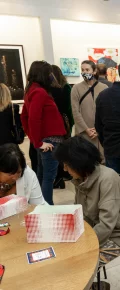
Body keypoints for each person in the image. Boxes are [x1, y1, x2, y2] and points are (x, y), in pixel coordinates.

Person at [54, 136, 120, 290]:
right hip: (94, 233)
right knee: (63, 257)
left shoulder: (107, 179)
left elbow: (106, 225)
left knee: (78, 265)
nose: (64, 169)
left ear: (79, 163)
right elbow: (80, 214)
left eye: (66, 165)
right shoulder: (81, 178)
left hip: (117, 236)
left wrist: (81, 245)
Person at [21, 61, 66, 205]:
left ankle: (40, 205)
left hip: (45, 140)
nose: (51, 76)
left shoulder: (32, 90)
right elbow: (33, 118)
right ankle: (47, 207)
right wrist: (38, 142)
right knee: (48, 177)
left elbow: (25, 117)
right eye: (48, 73)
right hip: (49, 140)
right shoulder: (39, 92)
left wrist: (36, 141)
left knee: (42, 174)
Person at [71, 60, 108, 155]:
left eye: (87, 69)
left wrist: (99, 129)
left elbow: (107, 110)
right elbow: (75, 111)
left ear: (94, 71)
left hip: (101, 131)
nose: (84, 72)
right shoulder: (76, 88)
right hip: (84, 132)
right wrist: (86, 129)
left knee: (102, 158)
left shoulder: (104, 88)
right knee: (86, 158)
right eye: (82, 70)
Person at [50, 65, 74, 189]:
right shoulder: (66, 88)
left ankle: (60, 176)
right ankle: (65, 173)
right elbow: (69, 109)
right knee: (64, 149)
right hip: (65, 123)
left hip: (56, 124)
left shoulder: (50, 89)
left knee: (58, 150)